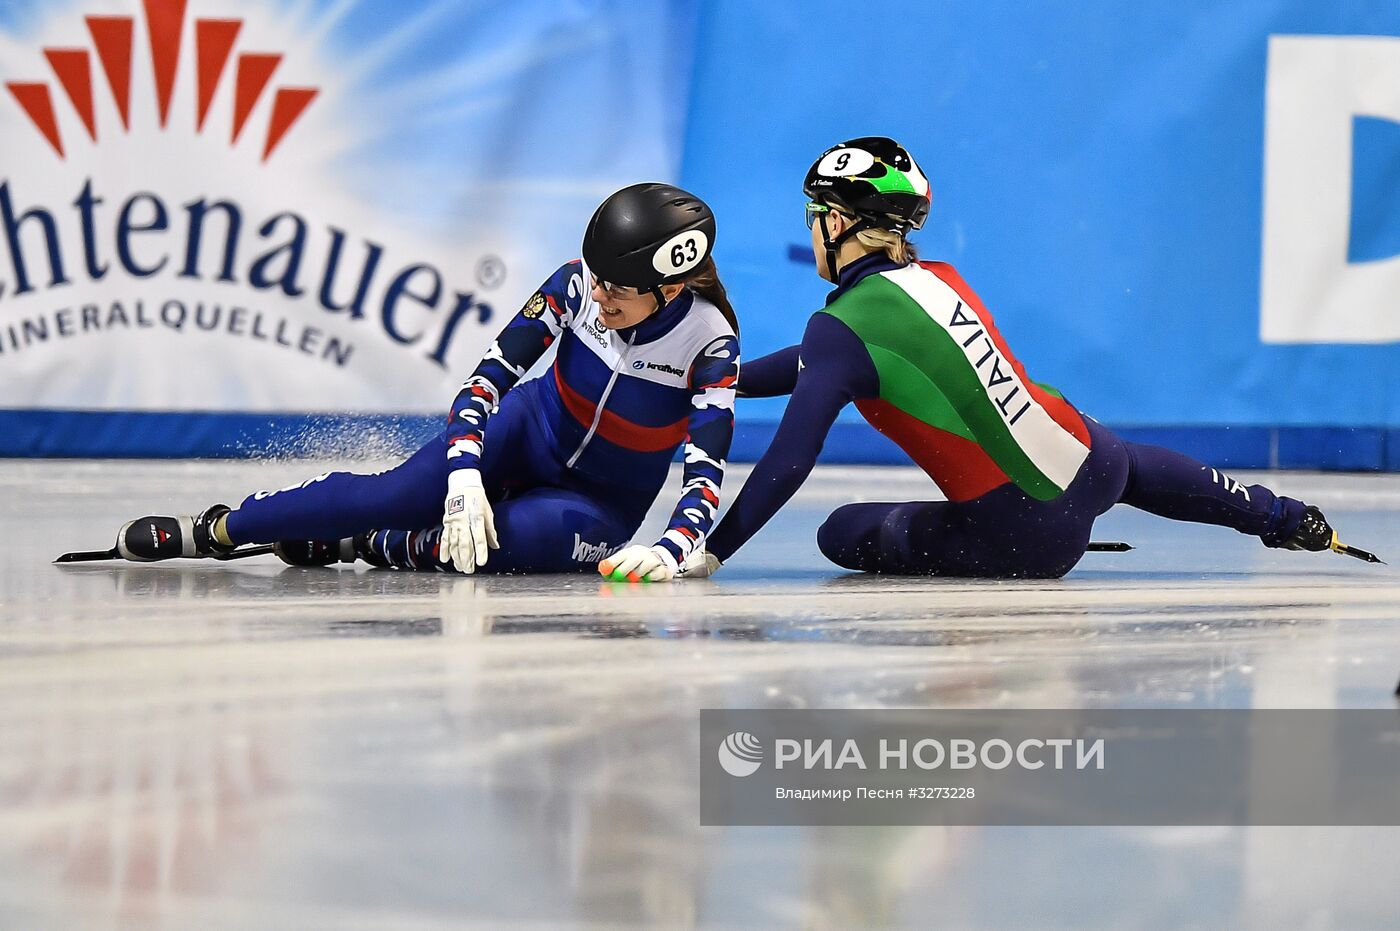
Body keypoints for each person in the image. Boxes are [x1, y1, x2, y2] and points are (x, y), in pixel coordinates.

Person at [664, 136, 1351, 580]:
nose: (810, 231)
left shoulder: (838, 329)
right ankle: (1284, 517)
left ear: (836, 223)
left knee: (839, 531)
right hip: (1097, 459)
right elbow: (821, 364)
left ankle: (1011, 526)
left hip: (1029, 533)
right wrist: (716, 377)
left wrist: (712, 548)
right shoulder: (940, 278)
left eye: (812, 215)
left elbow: (789, 458)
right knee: (1125, 460)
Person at [109, 183, 741, 577]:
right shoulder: (576, 282)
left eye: (618, 291)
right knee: (392, 493)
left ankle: (370, 545)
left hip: (603, 501)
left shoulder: (709, 341)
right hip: (533, 427)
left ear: (673, 286)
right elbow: (487, 380)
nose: (598, 297)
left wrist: (674, 544)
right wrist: (464, 470)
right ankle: (220, 528)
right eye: (596, 280)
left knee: (491, 548)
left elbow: (706, 468)